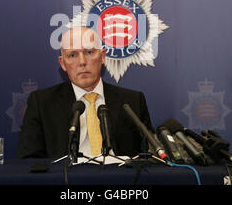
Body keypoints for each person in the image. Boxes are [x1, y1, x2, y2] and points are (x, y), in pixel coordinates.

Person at [17, 26, 153, 159]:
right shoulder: (42, 102)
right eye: (72, 55)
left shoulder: (133, 101)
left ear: (102, 57)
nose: (82, 62)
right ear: (63, 63)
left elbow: (149, 156)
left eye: (89, 52)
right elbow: (29, 159)